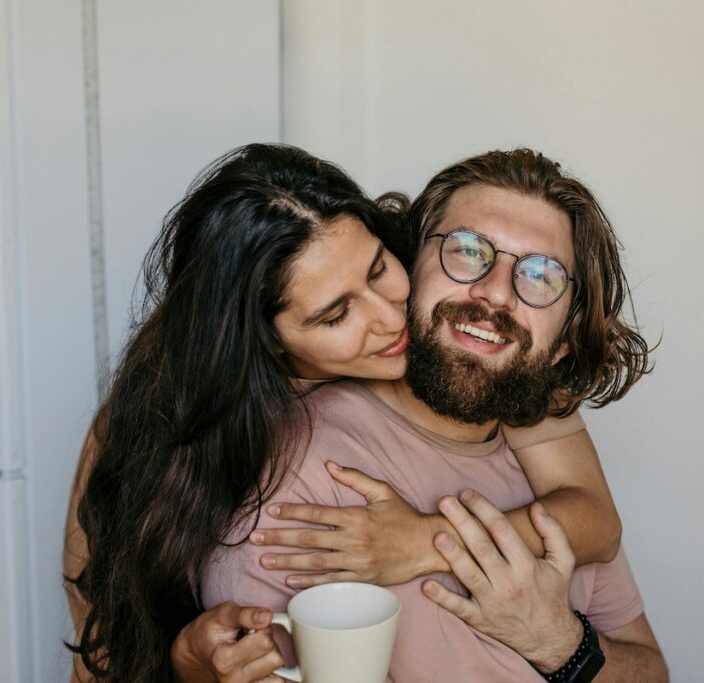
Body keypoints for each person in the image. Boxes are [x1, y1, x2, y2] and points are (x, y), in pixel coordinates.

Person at [62, 144, 631, 682]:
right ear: (266, 343)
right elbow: (103, 659)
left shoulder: (479, 359)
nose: (390, 318)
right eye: (336, 315)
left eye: (380, 269)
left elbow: (598, 521)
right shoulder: (148, 437)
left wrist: (425, 542)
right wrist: (188, 668)